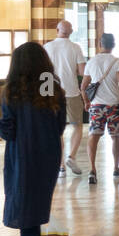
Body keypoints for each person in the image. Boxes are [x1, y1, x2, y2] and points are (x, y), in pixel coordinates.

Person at [0, 41, 67, 236]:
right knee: (33, 216)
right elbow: (60, 125)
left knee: (26, 220)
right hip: (48, 159)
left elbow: (7, 130)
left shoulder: (12, 91)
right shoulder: (51, 88)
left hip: (23, 160)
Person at [79, 32, 119, 184]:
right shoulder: (117, 62)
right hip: (113, 106)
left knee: (93, 136)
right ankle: (115, 167)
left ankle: (92, 169)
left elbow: (83, 86)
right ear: (113, 45)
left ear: (100, 44)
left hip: (96, 106)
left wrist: (86, 102)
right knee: (115, 137)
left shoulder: (91, 62)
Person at [44, 20, 87, 176]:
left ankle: (61, 166)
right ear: (71, 32)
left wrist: (46, 92)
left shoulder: (47, 47)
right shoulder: (75, 47)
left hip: (52, 93)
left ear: (57, 30)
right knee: (77, 125)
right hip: (72, 92)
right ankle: (72, 156)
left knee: (57, 130)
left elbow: (45, 72)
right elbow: (83, 71)